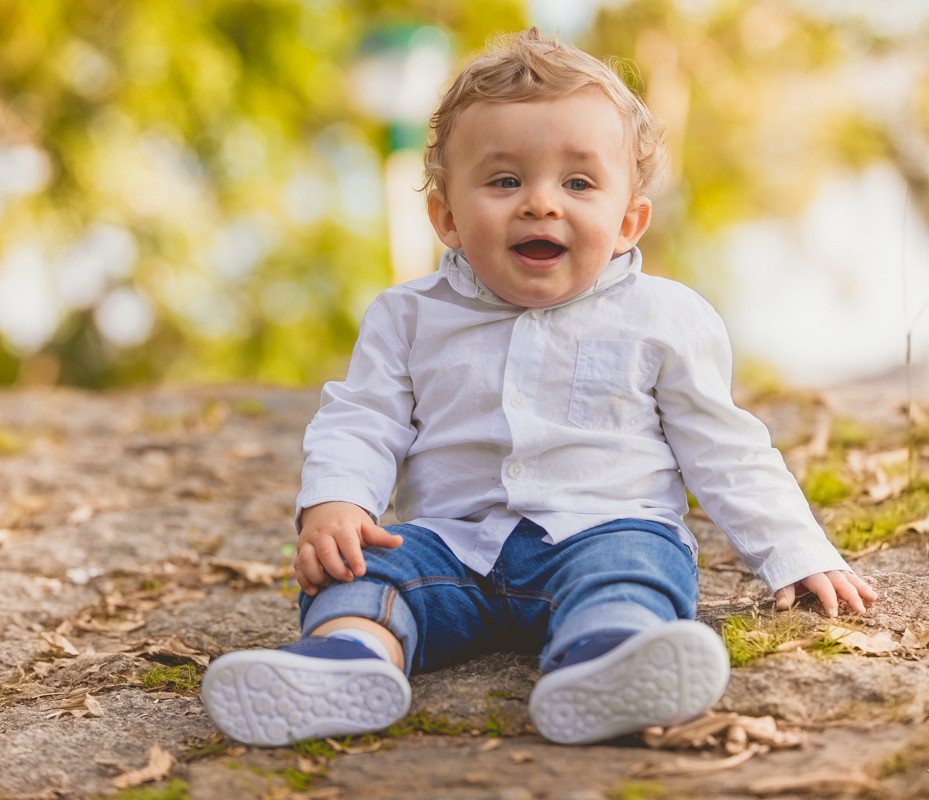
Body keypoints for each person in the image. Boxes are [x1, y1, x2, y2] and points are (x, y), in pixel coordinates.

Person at [201, 27, 877, 748]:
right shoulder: (407, 316)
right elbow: (362, 418)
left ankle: (606, 661)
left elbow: (726, 449)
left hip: (604, 530)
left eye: (578, 183)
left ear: (627, 222)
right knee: (364, 571)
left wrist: (796, 551)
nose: (540, 204)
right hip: (451, 549)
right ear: (447, 217)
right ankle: (348, 660)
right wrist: (336, 504)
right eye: (504, 181)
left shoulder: (666, 318)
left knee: (634, 570)